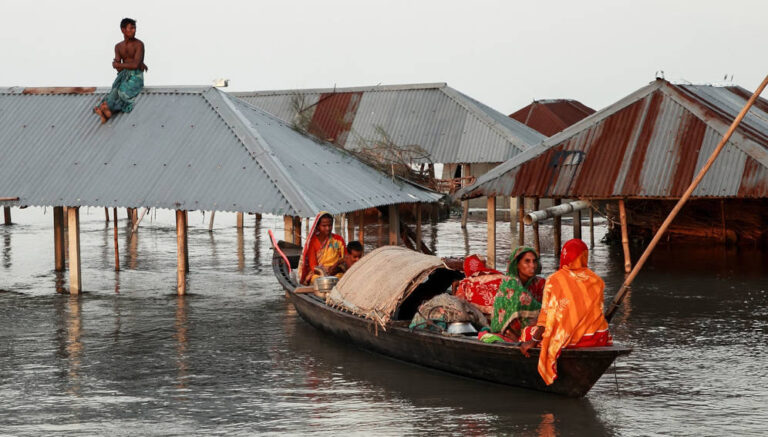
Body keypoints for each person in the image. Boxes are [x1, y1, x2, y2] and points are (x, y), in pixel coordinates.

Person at [520, 239, 613, 385]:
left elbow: (546, 318)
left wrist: (532, 341)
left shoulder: (554, 280)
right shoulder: (598, 280)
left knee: (526, 331)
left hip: (571, 341)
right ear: (584, 256)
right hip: (598, 338)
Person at [94, 18, 148, 123]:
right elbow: (117, 66)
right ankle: (105, 113)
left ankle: (107, 111)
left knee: (122, 92)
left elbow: (135, 65)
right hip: (123, 76)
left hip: (135, 76)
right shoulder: (118, 46)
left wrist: (120, 64)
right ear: (123, 30)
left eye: (134, 28)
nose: (133, 31)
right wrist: (122, 65)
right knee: (113, 93)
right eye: (131, 28)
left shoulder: (139, 44)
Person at [487, 246, 546, 341]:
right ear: (517, 264)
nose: (532, 265)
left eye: (534, 261)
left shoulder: (539, 283)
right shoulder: (510, 283)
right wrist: (545, 317)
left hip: (532, 327)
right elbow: (525, 301)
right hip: (507, 331)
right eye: (527, 261)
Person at [298, 212, 345, 285]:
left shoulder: (339, 240)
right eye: (324, 226)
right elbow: (313, 266)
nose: (328, 228)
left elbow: (345, 260)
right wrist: (325, 271)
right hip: (319, 274)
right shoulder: (312, 242)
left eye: (330, 225)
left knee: (342, 279)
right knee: (317, 280)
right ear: (317, 226)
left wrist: (335, 269)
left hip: (336, 273)